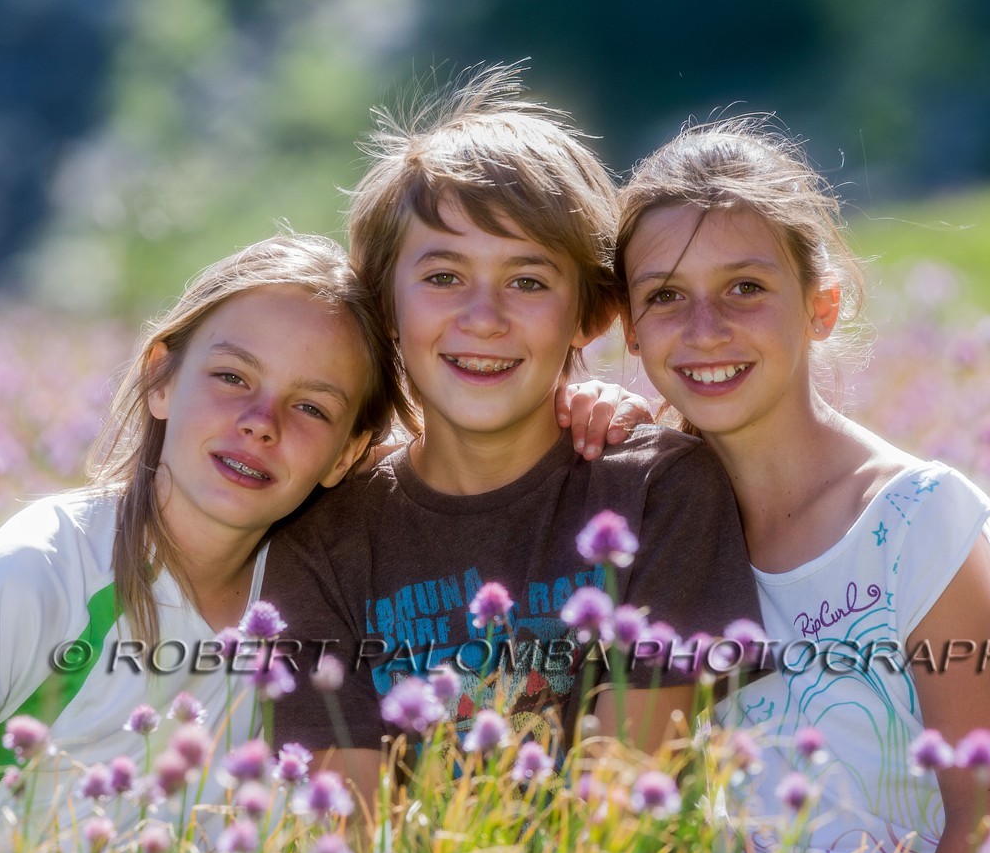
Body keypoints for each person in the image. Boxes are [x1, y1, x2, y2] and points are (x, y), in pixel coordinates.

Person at [0, 233, 637, 853]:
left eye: (312, 408)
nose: (261, 422)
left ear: (349, 454)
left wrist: (584, 407)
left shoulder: (320, 592)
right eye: (233, 377)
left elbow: (470, 482)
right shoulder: (42, 570)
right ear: (161, 376)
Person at [264, 68, 760, 797]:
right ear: (383, 309)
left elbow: (622, 808)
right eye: (442, 277)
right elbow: (347, 835)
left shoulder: (659, 492)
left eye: (528, 281)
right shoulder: (323, 538)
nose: (485, 317)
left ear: (589, 315)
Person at [614, 118, 990, 853]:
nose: (706, 329)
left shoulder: (920, 522)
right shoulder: (635, 527)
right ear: (629, 330)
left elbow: (988, 819)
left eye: (745, 288)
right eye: (665, 295)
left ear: (821, 304)